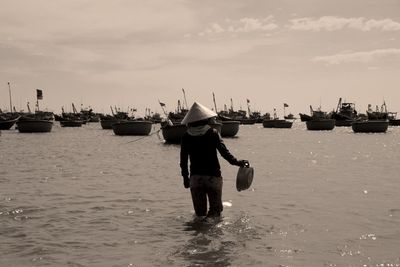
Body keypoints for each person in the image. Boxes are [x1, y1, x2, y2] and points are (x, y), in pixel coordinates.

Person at [180, 102, 249, 218]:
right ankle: (214, 235)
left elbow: (183, 161)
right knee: (216, 214)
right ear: (206, 119)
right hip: (213, 178)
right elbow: (225, 154)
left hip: (196, 178)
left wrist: (186, 179)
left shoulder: (186, 137)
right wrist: (238, 162)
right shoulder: (213, 133)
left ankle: (199, 235)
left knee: (200, 215)